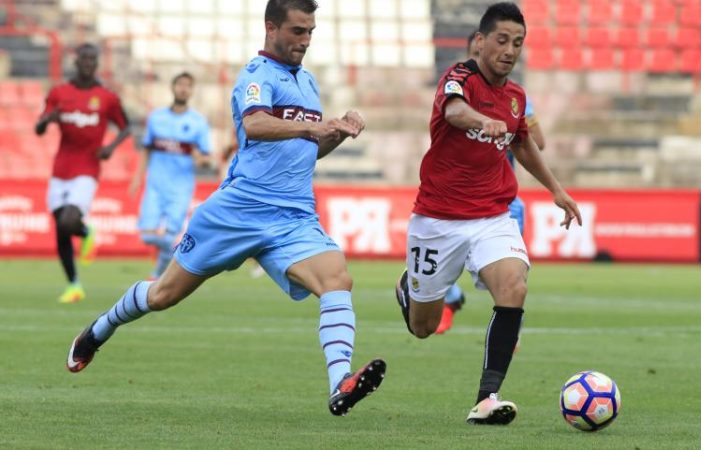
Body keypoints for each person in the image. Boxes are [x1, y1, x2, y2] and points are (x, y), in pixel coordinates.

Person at [66, 0, 386, 417]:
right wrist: (314, 125)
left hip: (293, 216)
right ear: (271, 28)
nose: (305, 41)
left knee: (337, 280)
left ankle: (339, 383)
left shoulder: (308, 81)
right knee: (163, 295)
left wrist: (339, 132)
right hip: (238, 210)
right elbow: (255, 125)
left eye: (310, 32)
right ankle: (99, 329)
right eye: (297, 31)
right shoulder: (255, 75)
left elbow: (310, 147)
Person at [394, 2, 581, 425]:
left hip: (492, 217)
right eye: (501, 40)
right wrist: (482, 119)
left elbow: (522, 143)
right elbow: (454, 112)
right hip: (438, 220)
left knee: (513, 286)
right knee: (423, 327)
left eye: (518, 43)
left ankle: (487, 398)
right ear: (479, 41)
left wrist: (556, 189)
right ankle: (409, 289)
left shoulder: (515, 97)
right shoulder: (458, 77)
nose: (510, 50)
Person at [435, 29, 547, 334]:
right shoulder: (456, 88)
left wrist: (518, 123)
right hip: (454, 197)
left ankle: (511, 334)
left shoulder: (513, 96)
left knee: (511, 278)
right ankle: (450, 297)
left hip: (500, 202)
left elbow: (537, 142)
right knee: (432, 264)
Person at [34, 43, 131, 304]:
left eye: (93, 58)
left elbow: (126, 126)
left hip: (87, 169)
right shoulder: (59, 93)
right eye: (84, 58)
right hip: (60, 168)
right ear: (75, 61)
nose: (88, 63)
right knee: (61, 229)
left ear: (97, 63)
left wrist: (110, 147)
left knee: (68, 221)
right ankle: (74, 285)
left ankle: (87, 232)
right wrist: (47, 120)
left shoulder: (106, 97)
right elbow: (39, 128)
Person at [128, 72, 212, 280]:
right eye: (180, 84)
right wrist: (137, 178)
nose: (183, 89)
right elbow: (147, 149)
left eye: (187, 85)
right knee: (147, 236)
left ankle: (156, 276)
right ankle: (172, 259)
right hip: (155, 185)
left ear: (191, 91)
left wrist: (198, 157)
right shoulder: (157, 118)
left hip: (180, 188)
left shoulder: (197, 122)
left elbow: (207, 158)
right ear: (172, 87)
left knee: (169, 236)